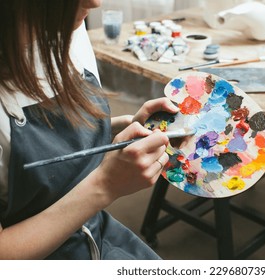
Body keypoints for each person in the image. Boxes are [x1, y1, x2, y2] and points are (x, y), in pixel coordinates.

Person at [0, 0, 179, 259]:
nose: (96, 2)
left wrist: (119, 128)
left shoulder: (70, 25)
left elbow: (54, 138)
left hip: (95, 231)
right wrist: (105, 185)